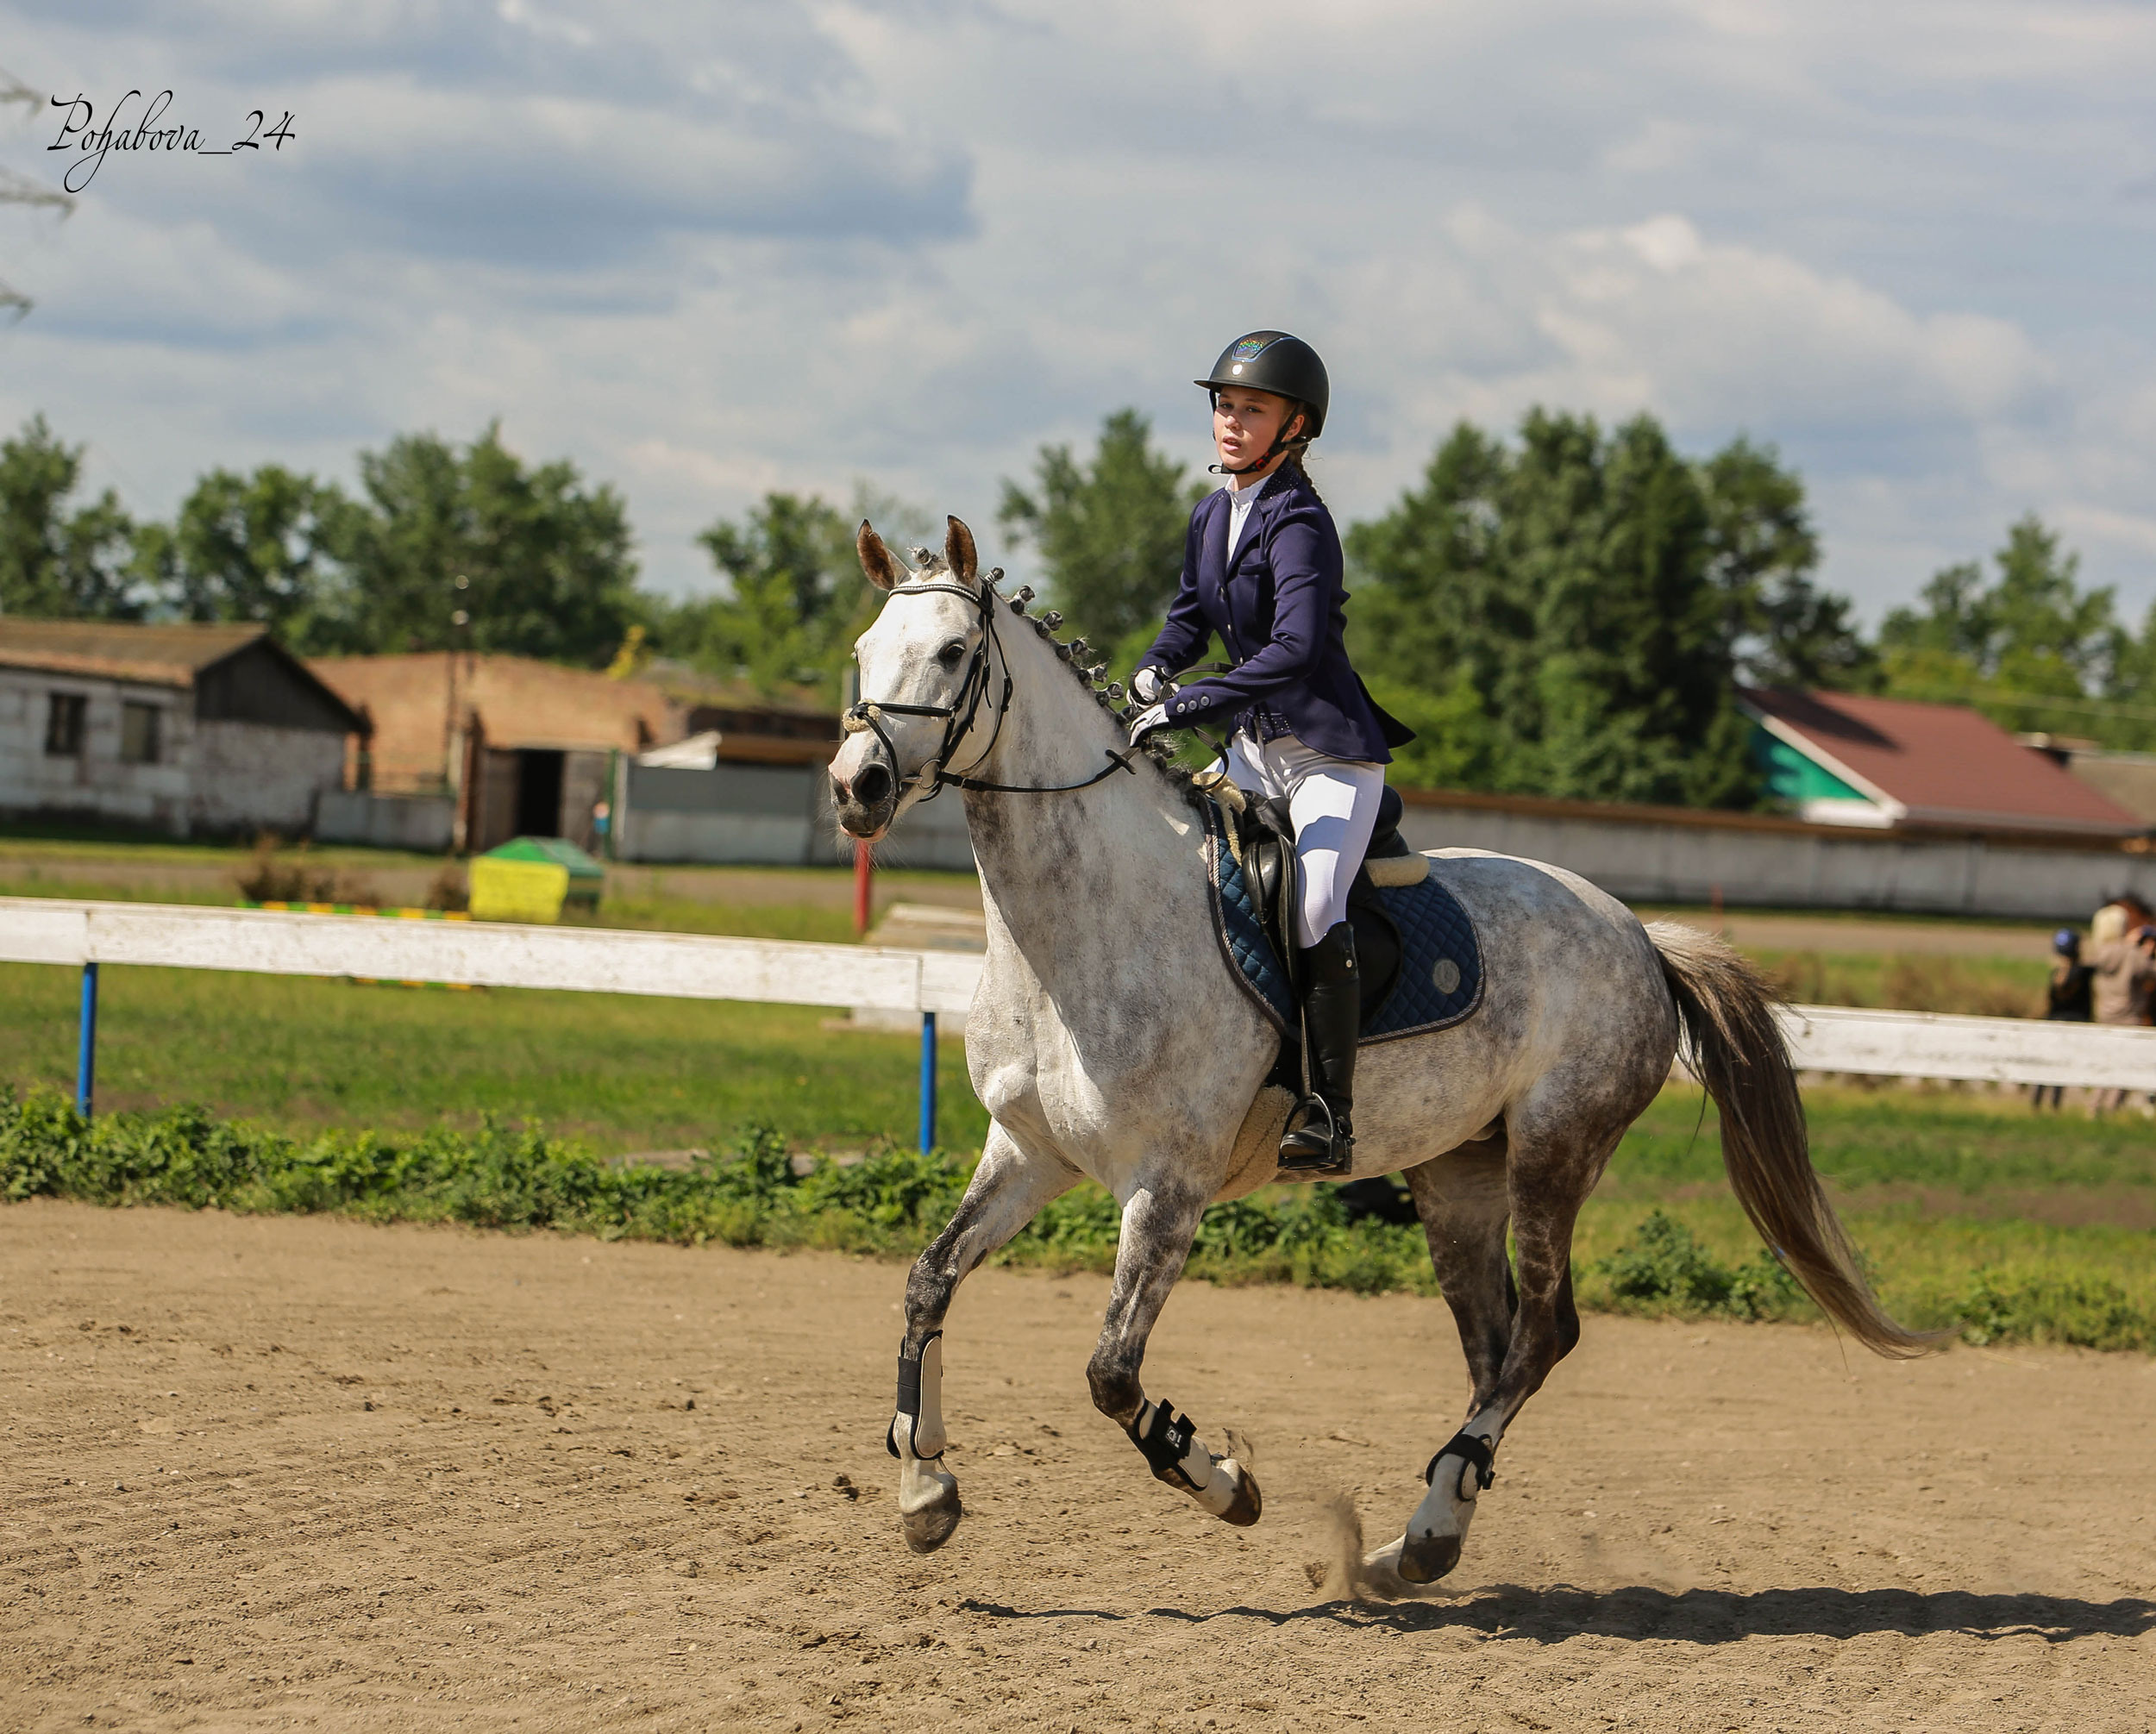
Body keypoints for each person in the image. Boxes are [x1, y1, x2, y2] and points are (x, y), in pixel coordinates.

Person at [1125, 330, 1414, 1174]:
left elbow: (1291, 648)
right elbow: (1190, 612)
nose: (1230, 420)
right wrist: (1155, 666)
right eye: (1223, 403)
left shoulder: (1300, 522)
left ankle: (1328, 1111)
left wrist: (1189, 703)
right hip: (1251, 751)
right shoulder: (1213, 513)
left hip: (1327, 756)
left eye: (1251, 408)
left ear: (1295, 428)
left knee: (1314, 905)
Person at [2086, 899, 2156, 1113]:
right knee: (2124, 1067)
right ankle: (2111, 1110)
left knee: (2105, 1064)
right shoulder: (2131, 953)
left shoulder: (2098, 952)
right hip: (2128, 1016)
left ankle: (2093, 1108)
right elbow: (2151, 972)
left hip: (2104, 1014)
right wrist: (2146, 950)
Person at [2035, 927, 2093, 1110]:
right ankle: (2054, 1105)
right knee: (2059, 1068)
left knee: (2045, 1067)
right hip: (2072, 1024)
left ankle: (2037, 1103)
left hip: (2053, 1023)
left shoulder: (2056, 973)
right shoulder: (2082, 973)